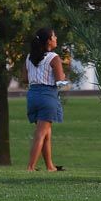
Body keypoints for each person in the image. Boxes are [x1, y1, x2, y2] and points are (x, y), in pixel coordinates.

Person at [25, 28, 66, 172]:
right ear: (48, 41)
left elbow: (26, 78)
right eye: (54, 36)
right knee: (41, 134)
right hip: (47, 96)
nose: (56, 38)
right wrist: (66, 80)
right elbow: (60, 81)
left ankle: (50, 166)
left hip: (32, 95)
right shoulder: (54, 58)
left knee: (46, 133)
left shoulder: (30, 57)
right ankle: (30, 167)